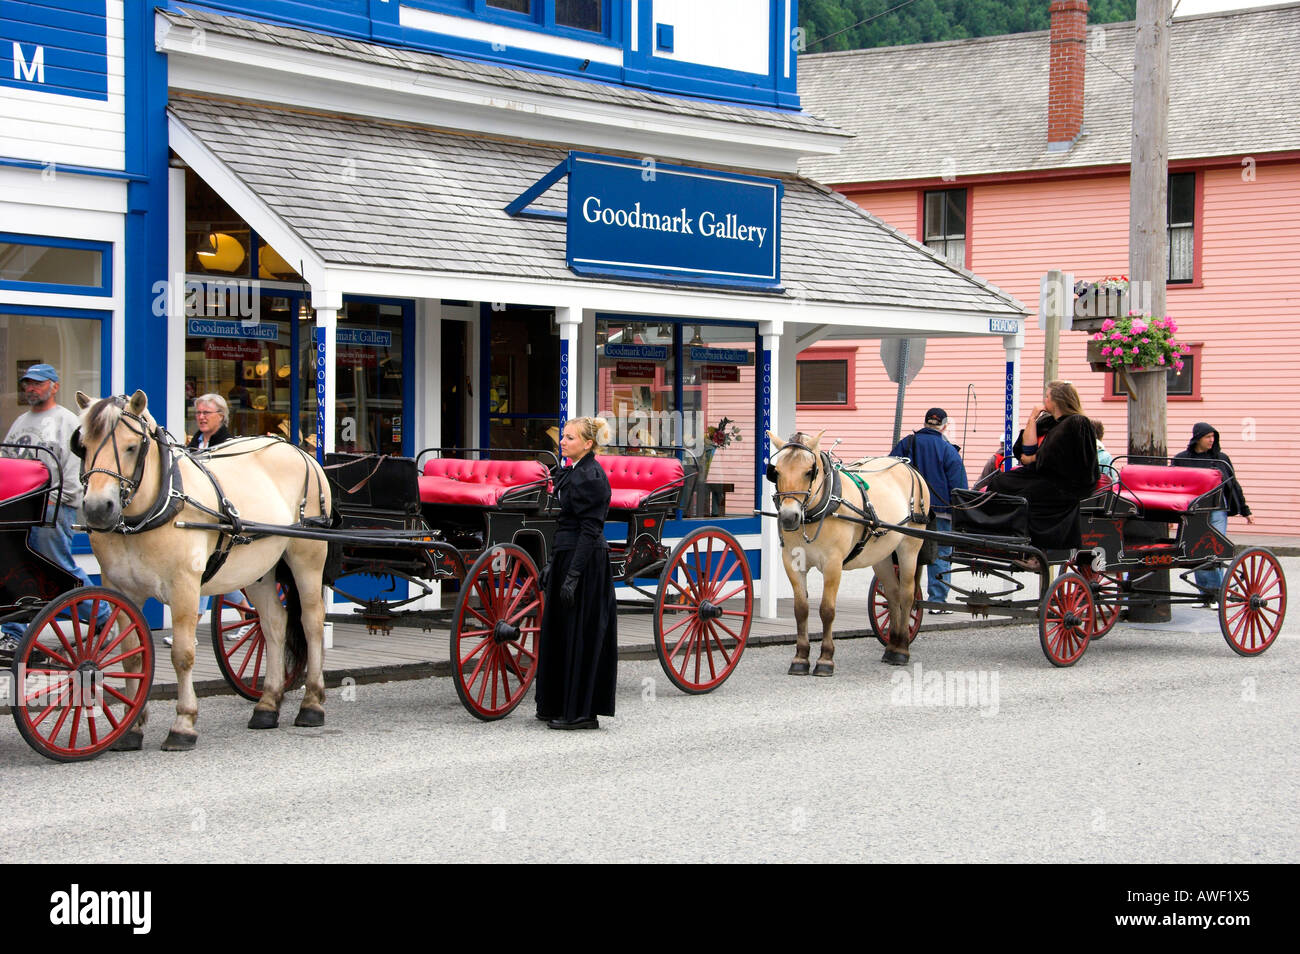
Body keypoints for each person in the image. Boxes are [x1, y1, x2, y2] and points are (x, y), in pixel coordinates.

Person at [1, 364, 107, 655]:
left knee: (56, 566)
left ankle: (104, 616)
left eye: (37, 383)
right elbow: (8, 461)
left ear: (54, 386)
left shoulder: (67, 421)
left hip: (52, 507)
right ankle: (12, 631)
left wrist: (61, 500)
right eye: (27, 384)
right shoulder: (21, 421)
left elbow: (74, 468)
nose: (30, 388)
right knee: (16, 568)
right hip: (20, 509)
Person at [534, 416, 617, 730]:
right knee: (560, 632)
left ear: (588, 443)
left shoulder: (593, 477)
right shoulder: (571, 472)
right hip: (567, 556)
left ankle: (582, 713)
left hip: (587, 561)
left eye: (569, 438)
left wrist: (573, 576)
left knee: (580, 633)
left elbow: (589, 529)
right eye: (563, 437)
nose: (563, 442)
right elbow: (563, 525)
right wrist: (553, 565)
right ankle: (555, 704)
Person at [983, 381, 1099, 551]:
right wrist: (1032, 419)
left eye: (1047, 396)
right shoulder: (1049, 422)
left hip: (1066, 481)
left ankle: (1035, 546)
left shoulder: (1077, 422)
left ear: (1056, 400)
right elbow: (1025, 450)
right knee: (1000, 481)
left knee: (1027, 494)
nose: (1044, 400)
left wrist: (1032, 459)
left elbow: (1061, 457)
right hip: (1043, 474)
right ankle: (999, 534)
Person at [180, 393, 252, 645]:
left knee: (199, 569)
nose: (200, 417)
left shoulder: (227, 444)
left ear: (220, 417)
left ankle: (191, 626)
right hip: (196, 512)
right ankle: (246, 611)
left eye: (205, 413)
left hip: (219, 515)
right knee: (208, 572)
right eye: (198, 413)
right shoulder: (195, 442)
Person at [890, 407, 968, 613]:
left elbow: (890, 469)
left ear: (925, 423)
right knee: (940, 554)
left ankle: (900, 595)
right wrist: (960, 511)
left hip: (907, 510)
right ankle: (937, 602)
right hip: (940, 511)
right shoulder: (947, 449)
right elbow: (958, 485)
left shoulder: (907, 443)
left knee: (904, 553)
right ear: (944, 426)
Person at [1175, 422, 1254, 605]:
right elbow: (1175, 485)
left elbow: (1234, 486)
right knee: (1195, 551)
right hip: (1193, 510)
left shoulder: (1221, 458)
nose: (1212, 440)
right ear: (1197, 438)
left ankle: (1218, 594)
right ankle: (1205, 595)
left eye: (1213, 437)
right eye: (1207, 437)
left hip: (1217, 509)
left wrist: (1245, 510)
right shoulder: (1182, 458)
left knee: (1213, 550)